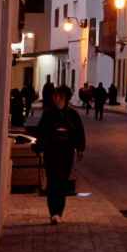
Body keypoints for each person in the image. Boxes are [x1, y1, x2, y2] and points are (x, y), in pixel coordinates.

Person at [32, 85, 85, 225]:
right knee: (52, 181)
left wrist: (80, 148)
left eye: (56, 96)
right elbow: (40, 131)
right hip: (52, 151)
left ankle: (59, 211)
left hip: (66, 152)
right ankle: (53, 212)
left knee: (62, 182)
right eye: (54, 95)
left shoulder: (72, 115)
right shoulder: (48, 113)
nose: (53, 98)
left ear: (64, 98)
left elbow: (79, 131)